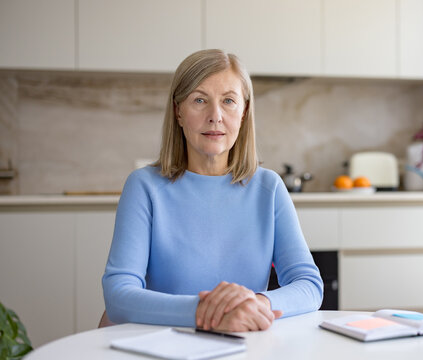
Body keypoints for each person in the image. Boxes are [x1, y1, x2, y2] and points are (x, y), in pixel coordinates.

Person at [102, 49, 323, 332]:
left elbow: (309, 285)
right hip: (165, 345)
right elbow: (118, 295)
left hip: (245, 344)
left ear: (243, 113)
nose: (215, 116)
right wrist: (207, 312)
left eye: (229, 101)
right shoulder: (144, 187)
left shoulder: (269, 188)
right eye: (199, 100)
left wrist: (258, 304)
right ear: (178, 111)